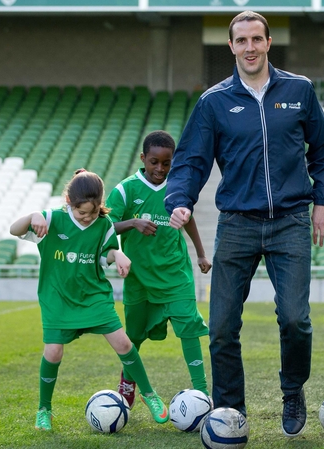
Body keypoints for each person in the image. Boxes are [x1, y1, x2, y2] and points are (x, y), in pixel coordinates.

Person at [164, 10, 324, 437]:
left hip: (292, 221)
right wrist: (180, 200)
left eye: (256, 39)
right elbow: (190, 160)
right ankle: (229, 412)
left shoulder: (299, 90)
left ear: (268, 42)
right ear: (231, 46)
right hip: (237, 223)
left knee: (295, 319)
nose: (249, 47)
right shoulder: (214, 101)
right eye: (241, 41)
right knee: (222, 325)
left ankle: (292, 391)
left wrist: (323, 201)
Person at [9, 169, 169, 431]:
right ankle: (44, 410)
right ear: (69, 202)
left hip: (93, 294)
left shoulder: (103, 224)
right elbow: (14, 230)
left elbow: (102, 255)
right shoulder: (52, 218)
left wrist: (116, 255)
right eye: (82, 213)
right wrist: (32, 216)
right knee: (53, 351)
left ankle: (149, 394)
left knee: (123, 343)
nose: (87, 218)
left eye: (93, 213)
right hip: (58, 298)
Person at [106, 131, 212, 407]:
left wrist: (201, 254)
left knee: (189, 327)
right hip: (139, 278)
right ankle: (127, 382)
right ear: (143, 159)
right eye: (154, 162)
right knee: (135, 336)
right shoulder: (125, 190)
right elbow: (104, 229)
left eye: (166, 163)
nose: (160, 169)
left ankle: (202, 395)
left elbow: (187, 220)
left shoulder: (177, 188)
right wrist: (132, 223)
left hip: (175, 274)